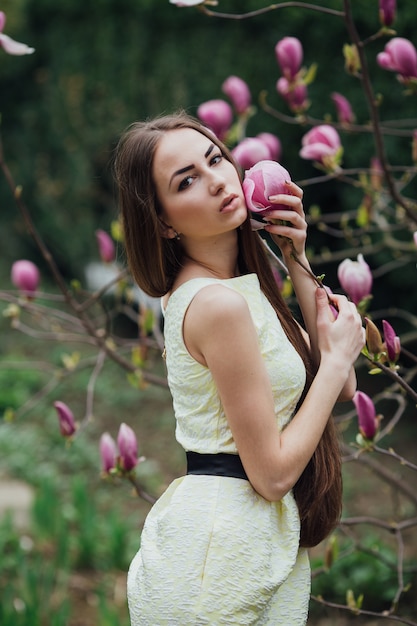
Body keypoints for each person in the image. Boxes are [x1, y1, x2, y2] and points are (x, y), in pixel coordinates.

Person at [113, 111, 365, 626]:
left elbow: (342, 388)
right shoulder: (215, 305)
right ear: (162, 221)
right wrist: (337, 359)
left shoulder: (236, 287)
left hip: (245, 541)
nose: (217, 180)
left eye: (215, 159)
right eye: (187, 181)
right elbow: (271, 475)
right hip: (220, 552)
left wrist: (295, 256)